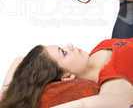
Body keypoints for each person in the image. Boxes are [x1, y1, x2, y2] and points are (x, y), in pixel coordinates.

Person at [1, 38, 133, 108]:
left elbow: (18, 60)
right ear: (67, 77)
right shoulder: (114, 78)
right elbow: (119, 102)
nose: (70, 46)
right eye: (63, 52)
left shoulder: (97, 49)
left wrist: (6, 91)